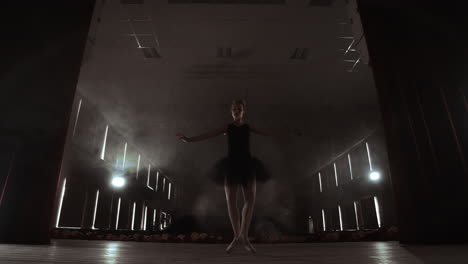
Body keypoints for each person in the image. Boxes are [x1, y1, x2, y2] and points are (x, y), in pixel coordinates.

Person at [176, 99, 301, 254]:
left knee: (250, 201)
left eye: (239, 109)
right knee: (231, 201)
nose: (236, 111)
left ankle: (245, 237)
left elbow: (269, 133)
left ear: (243, 111)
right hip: (231, 166)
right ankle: (236, 237)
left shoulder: (248, 127)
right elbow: (208, 134)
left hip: (247, 165)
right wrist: (188, 139)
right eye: (234, 109)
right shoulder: (227, 127)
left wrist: (289, 134)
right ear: (231, 111)